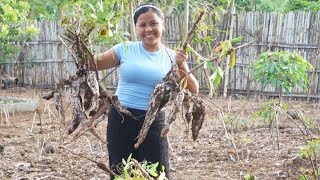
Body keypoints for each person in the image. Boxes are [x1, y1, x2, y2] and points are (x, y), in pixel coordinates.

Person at [88, 3, 199, 179]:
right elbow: (90, 64)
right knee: (121, 172)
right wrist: (84, 35)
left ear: (162, 25)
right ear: (136, 28)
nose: (149, 29)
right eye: (142, 25)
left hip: (154, 122)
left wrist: (182, 65)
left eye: (154, 23)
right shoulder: (124, 49)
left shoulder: (172, 56)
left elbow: (194, 89)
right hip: (121, 119)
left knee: (157, 173)